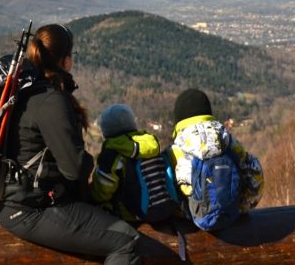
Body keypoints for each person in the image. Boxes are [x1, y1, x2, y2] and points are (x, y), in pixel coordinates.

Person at [0, 24, 140, 265]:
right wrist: (87, 157)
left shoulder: (24, 87)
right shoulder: (50, 100)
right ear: (66, 61)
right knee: (126, 241)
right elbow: (74, 169)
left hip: (12, 199)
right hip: (31, 208)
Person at [168, 88, 264, 223]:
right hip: (233, 216)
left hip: (192, 221)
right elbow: (254, 175)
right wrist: (241, 208)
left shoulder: (175, 151)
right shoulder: (227, 141)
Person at [90, 103, 174, 223]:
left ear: (106, 131)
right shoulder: (149, 143)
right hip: (164, 206)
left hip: (132, 214)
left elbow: (102, 192)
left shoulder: (113, 153)